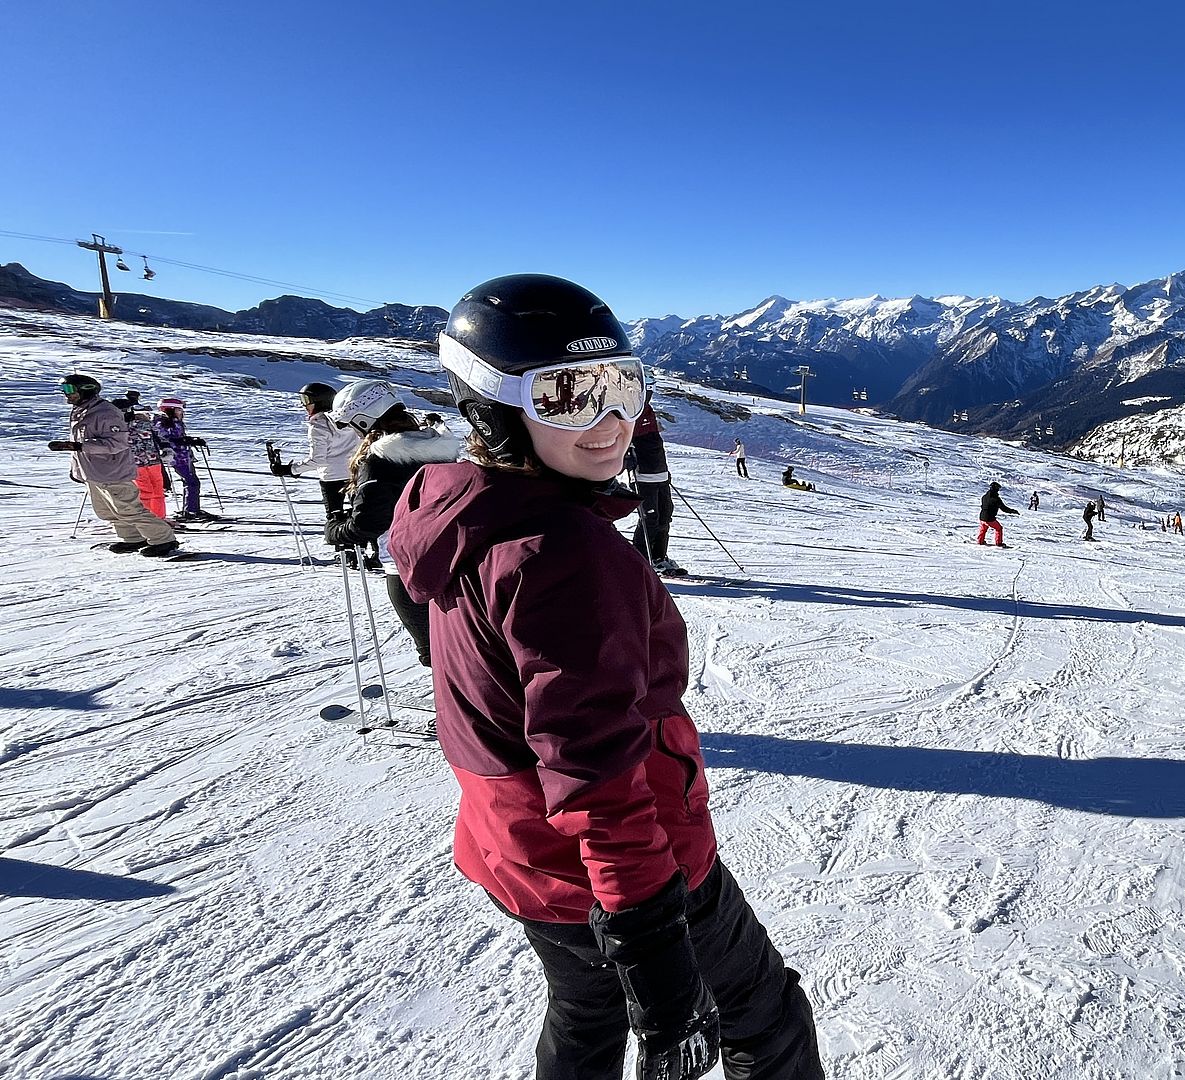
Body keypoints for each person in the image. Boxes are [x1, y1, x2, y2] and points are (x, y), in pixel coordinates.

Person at [387, 274, 822, 1080]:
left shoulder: (453, 506)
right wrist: (655, 954)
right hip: (633, 873)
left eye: (624, 386)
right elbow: (596, 774)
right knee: (766, 1018)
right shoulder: (563, 555)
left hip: (520, 854)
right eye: (568, 396)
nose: (613, 420)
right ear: (493, 406)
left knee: (586, 1018)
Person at [322, 380, 460, 668]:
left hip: (407, 567)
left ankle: (452, 696)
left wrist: (335, 530)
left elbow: (369, 522)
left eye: (354, 425)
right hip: (458, 559)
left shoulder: (380, 460)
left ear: (364, 420)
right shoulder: (441, 447)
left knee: (435, 653)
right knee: (462, 645)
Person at [49, 374, 178, 556]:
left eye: (69, 389)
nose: (65, 393)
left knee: (130, 509)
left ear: (86, 390)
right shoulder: (82, 411)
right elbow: (81, 443)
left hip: (112, 472)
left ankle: (164, 539)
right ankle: (133, 538)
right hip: (93, 472)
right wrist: (76, 469)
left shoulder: (106, 412)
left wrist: (78, 446)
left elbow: (117, 443)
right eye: (64, 389)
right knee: (107, 511)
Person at [270, 382, 360, 521]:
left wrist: (290, 469)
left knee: (334, 518)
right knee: (361, 515)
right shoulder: (350, 419)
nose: (304, 405)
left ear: (320, 402)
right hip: (355, 474)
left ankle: (340, 532)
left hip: (331, 478)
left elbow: (318, 460)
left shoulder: (318, 426)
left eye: (307, 400)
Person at [626, 392, 683, 577]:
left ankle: (659, 558)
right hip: (643, 478)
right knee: (650, 520)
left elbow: (657, 445)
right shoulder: (628, 412)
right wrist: (626, 458)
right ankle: (641, 560)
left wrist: (665, 473)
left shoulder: (647, 411)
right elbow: (619, 441)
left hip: (661, 476)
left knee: (665, 516)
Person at [152, 397, 210, 521]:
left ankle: (191, 509)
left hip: (183, 456)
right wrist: (183, 441)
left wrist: (191, 441)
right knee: (192, 482)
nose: (181, 412)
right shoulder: (162, 423)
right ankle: (191, 510)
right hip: (176, 457)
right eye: (179, 410)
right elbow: (165, 440)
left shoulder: (173, 422)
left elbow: (177, 438)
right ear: (170, 409)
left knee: (191, 481)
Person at [123, 395, 168, 520]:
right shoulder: (124, 426)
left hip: (152, 460)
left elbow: (159, 437)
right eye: (144, 414)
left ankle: (159, 517)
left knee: (157, 490)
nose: (147, 416)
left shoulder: (148, 425)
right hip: (137, 462)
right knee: (145, 491)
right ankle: (147, 519)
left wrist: (165, 448)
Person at [977, 481, 1018, 546]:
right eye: (998, 489)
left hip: (982, 517)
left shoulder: (984, 497)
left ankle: (980, 541)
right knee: (999, 528)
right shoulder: (996, 499)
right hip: (989, 519)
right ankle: (999, 543)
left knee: (983, 528)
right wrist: (1013, 511)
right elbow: (1004, 509)